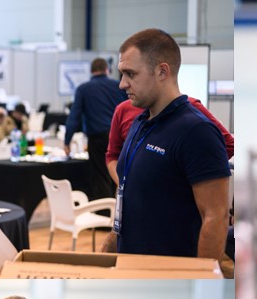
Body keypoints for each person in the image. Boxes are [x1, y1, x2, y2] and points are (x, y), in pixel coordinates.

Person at [113, 29, 231, 261]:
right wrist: (112, 242)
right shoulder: (140, 122)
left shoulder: (197, 131)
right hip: (130, 266)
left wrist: (202, 276)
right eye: (122, 74)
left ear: (162, 71)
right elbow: (130, 194)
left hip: (172, 272)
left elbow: (216, 216)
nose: (122, 84)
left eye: (130, 74)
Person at [106, 95, 233, 186]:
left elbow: (228, 144)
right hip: (133, 202)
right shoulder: (124, 110)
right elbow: (112, 156)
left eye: (132, 74)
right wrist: (127, 185)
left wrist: (193, 177)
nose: (123, 84)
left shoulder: (189, 108)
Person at [64, 57, 127, 199]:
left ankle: (104, 210)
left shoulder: (83, 89)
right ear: (107, 70)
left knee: (100, 176)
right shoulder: (119, 86)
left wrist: (67, 141)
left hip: (97, 138)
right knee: (118, 175)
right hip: (119, 137)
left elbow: (74, 118)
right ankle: (117, 208)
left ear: (91, 71)